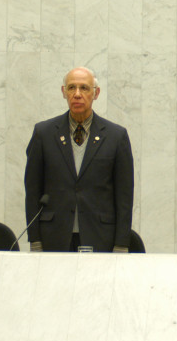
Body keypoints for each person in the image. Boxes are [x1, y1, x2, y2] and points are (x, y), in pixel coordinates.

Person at [23, 67, 134, 253]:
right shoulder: (44, 133)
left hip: (100, 236)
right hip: (54, 237)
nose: (77, 94)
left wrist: (121, 243)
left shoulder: (116, 136)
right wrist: (35, 240)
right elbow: (32, 190)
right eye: (71, 88)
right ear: (63, 92)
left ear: (96, 93)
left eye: (84, 88)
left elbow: (124, 196)